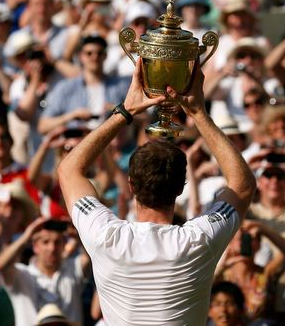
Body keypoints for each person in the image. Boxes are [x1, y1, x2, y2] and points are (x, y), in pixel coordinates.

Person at [56, 58, 256, 323]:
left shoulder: (105, 235)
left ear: (130, 185)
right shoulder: (199, 240)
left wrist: (125, 111)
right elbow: (242, 185)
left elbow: (69, 170)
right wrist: (198, 114)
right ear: (180, 189)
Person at [0, 217, 90, 325]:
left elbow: (91, 256)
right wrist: (26, 235)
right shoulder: (22, 273)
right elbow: (0, 265)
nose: (52, 248)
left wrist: (79, 235)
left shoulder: (73, 267)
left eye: (57, 242)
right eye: (45, 242)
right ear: (35, 246)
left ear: (64, 245)